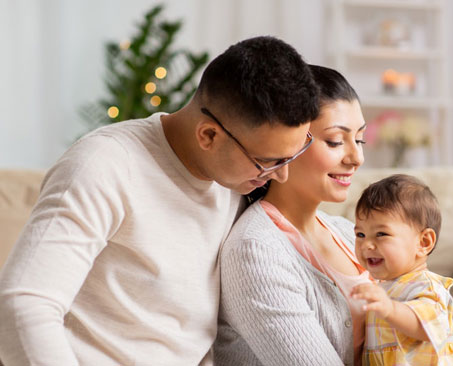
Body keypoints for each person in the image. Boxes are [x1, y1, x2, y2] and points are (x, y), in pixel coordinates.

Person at [0, 36, 320, 365]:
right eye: (268, 161)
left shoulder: (238, 180)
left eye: (294, 154)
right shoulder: (104, 165)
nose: (281, 175)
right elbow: (22, 304)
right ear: (208, 135)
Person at [213, 65, 368, 366]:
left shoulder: (349, 233)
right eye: (336, 141)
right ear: (287, 142)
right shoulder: (256, 249)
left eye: (359, 139)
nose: (356, 158)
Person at [351, 174, 453, 366]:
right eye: (360, 234)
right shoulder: (382, 288)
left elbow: (424, 327)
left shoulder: (427, 286)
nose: (366, 245)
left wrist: (389, 308)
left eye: (381, 234)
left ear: (423, 242)